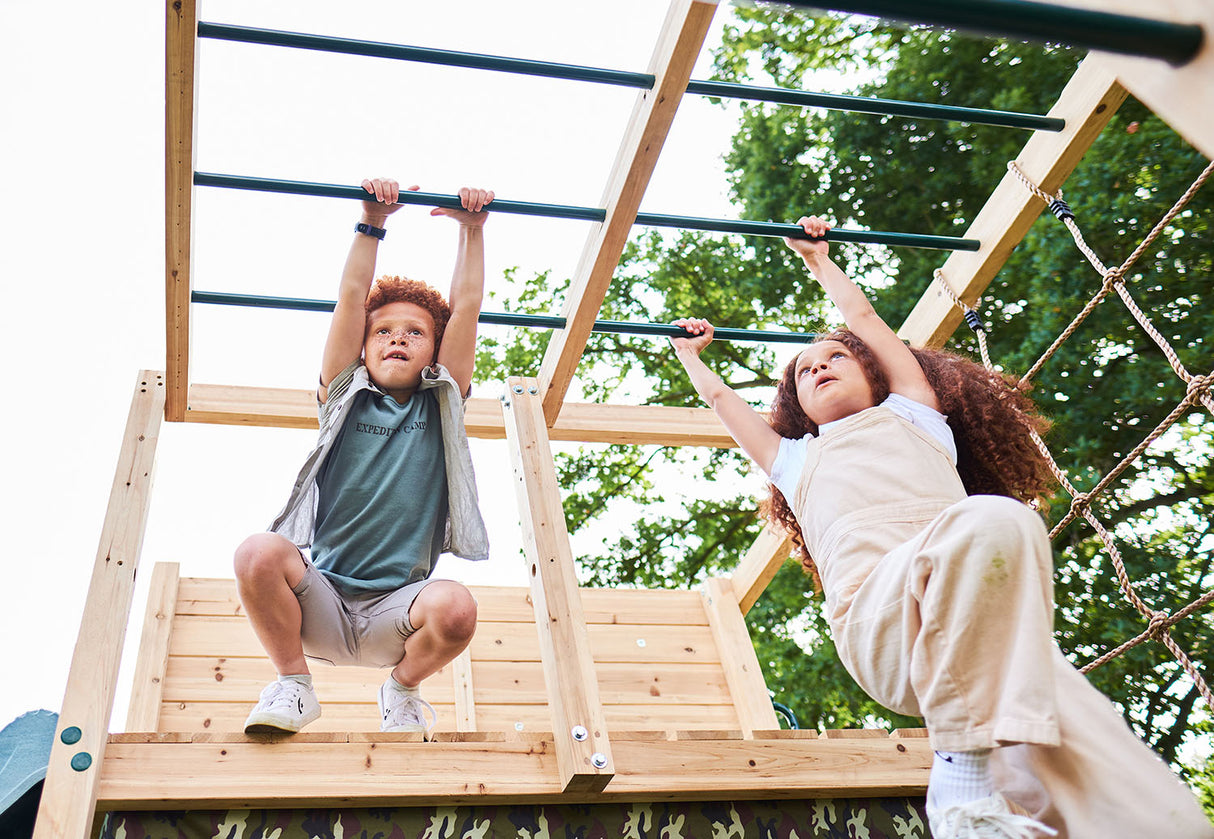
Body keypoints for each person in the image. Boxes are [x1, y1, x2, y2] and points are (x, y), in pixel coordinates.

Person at [670, 216, 1213, 839]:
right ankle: (959, 773)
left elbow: (870, 325)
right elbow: (720, 403)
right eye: (803, 371)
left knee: (1153, 809)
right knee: (994, 521)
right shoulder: (795, 460)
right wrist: (691, 356)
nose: (817, 367)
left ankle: (1004, 816)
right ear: (795, 404)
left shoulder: (915, 415)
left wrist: (819, 261)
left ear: (877, 373)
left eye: (834, 357)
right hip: (884, 620)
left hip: (979, 637)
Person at [233, 177, 494, 737]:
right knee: (258, 552)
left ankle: (401, 690)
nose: (397, 339)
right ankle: (294, 687)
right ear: (363, 344)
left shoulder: (443, 400)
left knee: (458, 609)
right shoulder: (343, 396)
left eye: (415, 332)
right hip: (319, 603)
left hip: (397, 617)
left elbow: (468, 307)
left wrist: (472, 231)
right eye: (383, 331)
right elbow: (352, 297)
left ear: (434, 349)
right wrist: (372, 221)